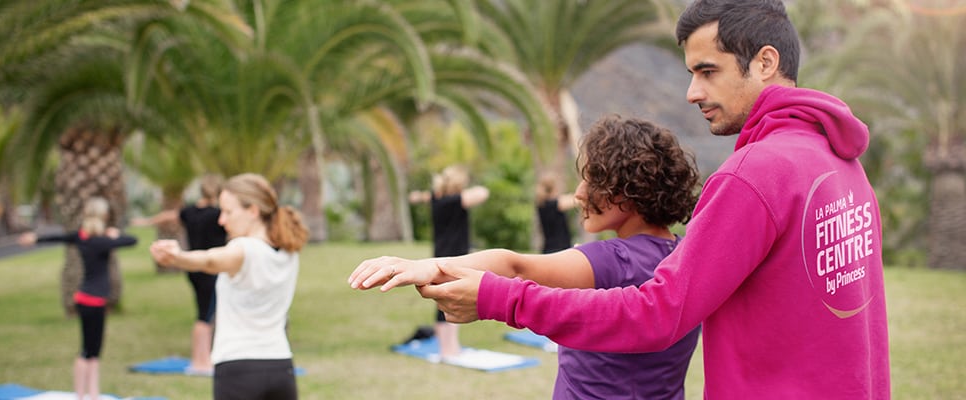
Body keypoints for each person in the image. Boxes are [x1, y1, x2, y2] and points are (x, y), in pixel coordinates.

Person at [376, 1, 892, 398]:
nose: (691, 92)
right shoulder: (841, 163)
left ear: (764, 62)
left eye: (707, 71)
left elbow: (657, 314)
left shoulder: (757, 174)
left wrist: (497, 297)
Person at [351, 116, 702, 399]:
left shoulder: (611, 260)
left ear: (629, 191)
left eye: (591, 180)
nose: (579, 194)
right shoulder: (685, 257)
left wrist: (430, 266)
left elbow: (515, 265)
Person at [149, 173, 307, 400]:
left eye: (228, 212)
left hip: (238, 371)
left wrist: (179, 257)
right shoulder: (289, 252)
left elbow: (211, 260)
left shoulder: (243, 248)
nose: (221, 220)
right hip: (281, 367)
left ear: (253, 211)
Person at [18, 197, 138, 400]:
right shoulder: (102, 241)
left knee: (86, 350)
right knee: (93, 352)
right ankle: (91, 394)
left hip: (83, 299)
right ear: (104, 216)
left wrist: (35, 239)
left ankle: (84, 394)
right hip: (96, 302)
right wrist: (115, 234)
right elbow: (132, 240)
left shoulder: (81, 237)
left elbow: (58, 237)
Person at [133, 174, 227, 374]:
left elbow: (168, 216)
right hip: (210, 269)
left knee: (204, 313)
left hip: (193, 269)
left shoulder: (190, 211)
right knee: (205, 316)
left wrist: (147, 221)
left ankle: (203, 358)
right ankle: (201, 361)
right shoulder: (219, 215)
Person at [406, 165, 489, 360]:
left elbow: (425, 197)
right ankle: (446, 349)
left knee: (450, 302)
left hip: (450, 256)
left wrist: (419, 196)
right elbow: (482, 193)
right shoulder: (452, 201)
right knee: (444, 303)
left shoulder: (438, 198)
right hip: (449, 257)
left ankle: (452, 347)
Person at [535, 171, 577, 254]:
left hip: (549, 248)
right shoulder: (554, 204)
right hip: (559, 249)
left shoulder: (542, 204)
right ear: (553, 187)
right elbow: (575, 200)